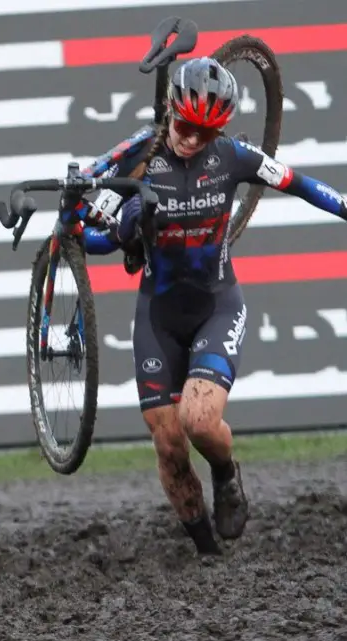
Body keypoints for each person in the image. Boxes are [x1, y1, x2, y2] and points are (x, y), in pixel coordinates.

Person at [74, 57, 347, 555]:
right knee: (169, 444)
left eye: (206, 131)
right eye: (184, 126)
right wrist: (122, 222)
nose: (192, 139)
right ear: (171, 110)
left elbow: (301, 185)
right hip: (157, 316)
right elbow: (89, 238)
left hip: (217, 306)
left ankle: (225, 472)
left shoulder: (234, 156)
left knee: (198, 420)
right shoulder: (138, 155)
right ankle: (203, 549)